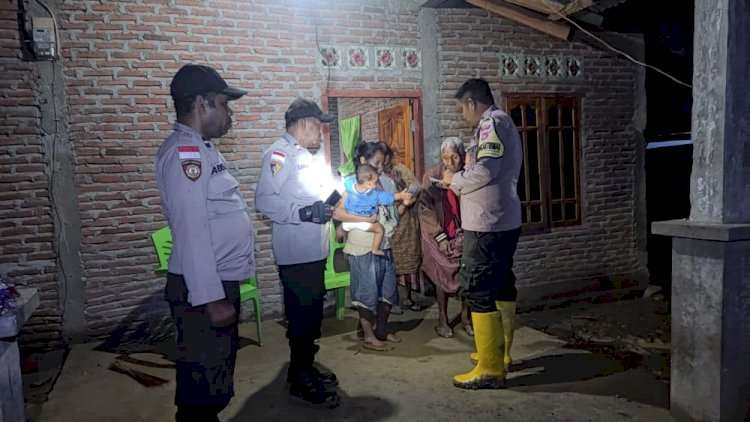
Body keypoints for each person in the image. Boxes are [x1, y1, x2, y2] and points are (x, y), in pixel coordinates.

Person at [155, 64, 254, 421]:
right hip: (202, 293)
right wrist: (211, 298)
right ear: (203, 104)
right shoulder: (186, 154)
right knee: (201, 391)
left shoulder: (202, 149)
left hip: (212, 284)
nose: (230, 114)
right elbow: (192, 230)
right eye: (225, 104)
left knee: (213, 383)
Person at [254, 97, 340, 407]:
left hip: (313, 250)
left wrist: (327, 201)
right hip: (296, 253)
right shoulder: (279, 153)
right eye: (318, 126)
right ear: (303, 124)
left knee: (312, 315)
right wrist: (303, 214)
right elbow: (264, 199)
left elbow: (312, 196)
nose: (320, 133)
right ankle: (300, 379)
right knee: (302, 318)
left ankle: (304, 367)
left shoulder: (305, 154)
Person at [440, 78, 523, 389]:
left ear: (472, 103)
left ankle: (490, 368)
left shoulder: (491, 123)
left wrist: (454, 179)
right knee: (500, 286)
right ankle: (499, 355)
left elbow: (486, 169)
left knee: (477, 288)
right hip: (499, 220)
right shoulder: (499, 123)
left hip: (488, 224)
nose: (463, 115)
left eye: (462, 108)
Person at [333, 141, 412, 351]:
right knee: (366, 292)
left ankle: (382, 329)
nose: (380, 167)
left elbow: (393, 215)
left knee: (388, 291)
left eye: (382, 163)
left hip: (384, 244)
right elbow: (338, 213)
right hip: (362, 247)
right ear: (363, 162)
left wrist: (404, 204)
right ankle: (368, 335)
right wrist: (363, 219)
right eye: (376, 163)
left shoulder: (385, 183)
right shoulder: (353, 185)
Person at [418, 137, 473, 338]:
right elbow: (424, 207)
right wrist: (439, 236)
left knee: (467, 273)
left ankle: (466, 316)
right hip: (439, 231)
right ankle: (442, 317)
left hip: (464, 230)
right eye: (445, 158)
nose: (449, 163)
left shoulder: (468, 174)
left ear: (462, 156)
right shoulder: (432, 175)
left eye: (454, 157)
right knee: (442, 275)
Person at [342, 164, 412, 256]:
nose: (377, 185)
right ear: (368, 184)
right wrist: (401, 196)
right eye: (375, 182)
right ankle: (375, 249)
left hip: (348, 223)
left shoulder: (350, 185)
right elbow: (388, 198)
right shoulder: (374, 195)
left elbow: (348, 180)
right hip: (364, 223)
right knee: (380, 229)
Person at [390, 163, 424, 312]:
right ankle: (393, 301)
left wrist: (412, 197)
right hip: (393, 226)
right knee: (392, 266)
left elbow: (416, 187)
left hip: (409, 226)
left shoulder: (401, 169)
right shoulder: (381, 178)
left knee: (410, 263)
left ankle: (408, 297)